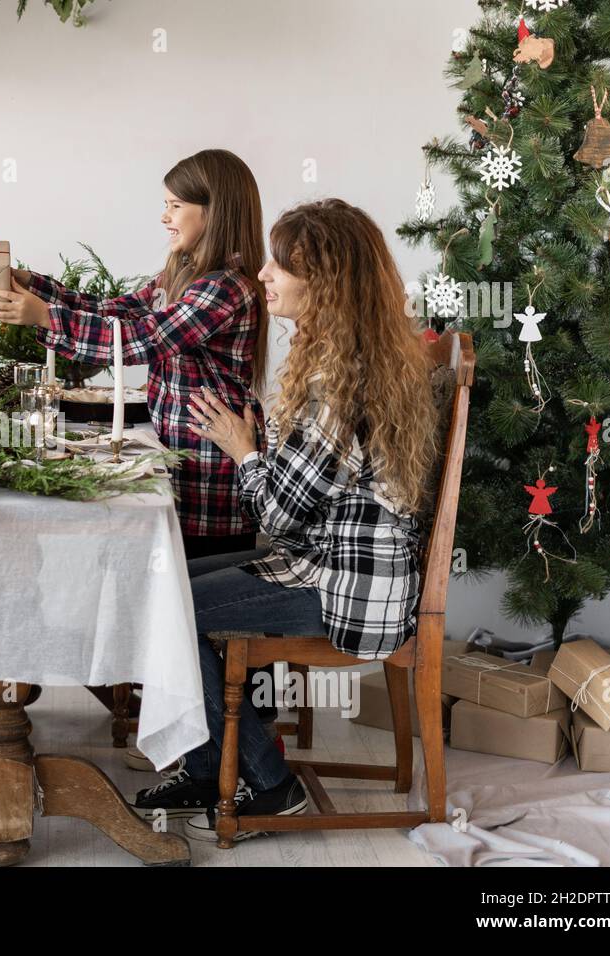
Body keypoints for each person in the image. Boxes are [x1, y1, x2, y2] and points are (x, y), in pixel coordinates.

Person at [130, 199, 441, 843]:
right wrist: (260, 451)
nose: (264, 277)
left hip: (343, 589)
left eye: (281, 266)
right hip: (333, 565)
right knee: (162, 583)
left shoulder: (340, 379)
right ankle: (206, 766)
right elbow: (300, 511)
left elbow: (279, 515)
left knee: (159, 606)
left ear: (324, 281)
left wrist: (244, 451)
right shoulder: (360, 358)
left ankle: (269, 783)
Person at [0, 148, 267, 558]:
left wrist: (46, 317)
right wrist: (34, 285)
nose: (165, 216)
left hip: (211, 465)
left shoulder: (224, 287)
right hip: (182, 452)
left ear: (214, 212)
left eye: (176, 205)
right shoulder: (181, 275)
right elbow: (114, 311)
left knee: (197, 593)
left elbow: (144, 338)